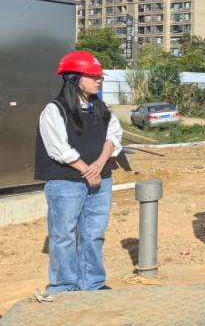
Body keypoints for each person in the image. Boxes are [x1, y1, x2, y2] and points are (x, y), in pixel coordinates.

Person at [35, 50, 123, 293]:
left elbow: (114, 136)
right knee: (63, 236)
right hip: (66, 183)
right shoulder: (55, 110)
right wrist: (87, 170)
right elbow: (58, 148)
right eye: (93, 76)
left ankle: (92, 284)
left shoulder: (101, 109)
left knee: (94, 234)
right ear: (73, 78)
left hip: (100, 180)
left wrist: (100, 164)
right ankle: (63, 287)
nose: (99, 80)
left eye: (99, 76)